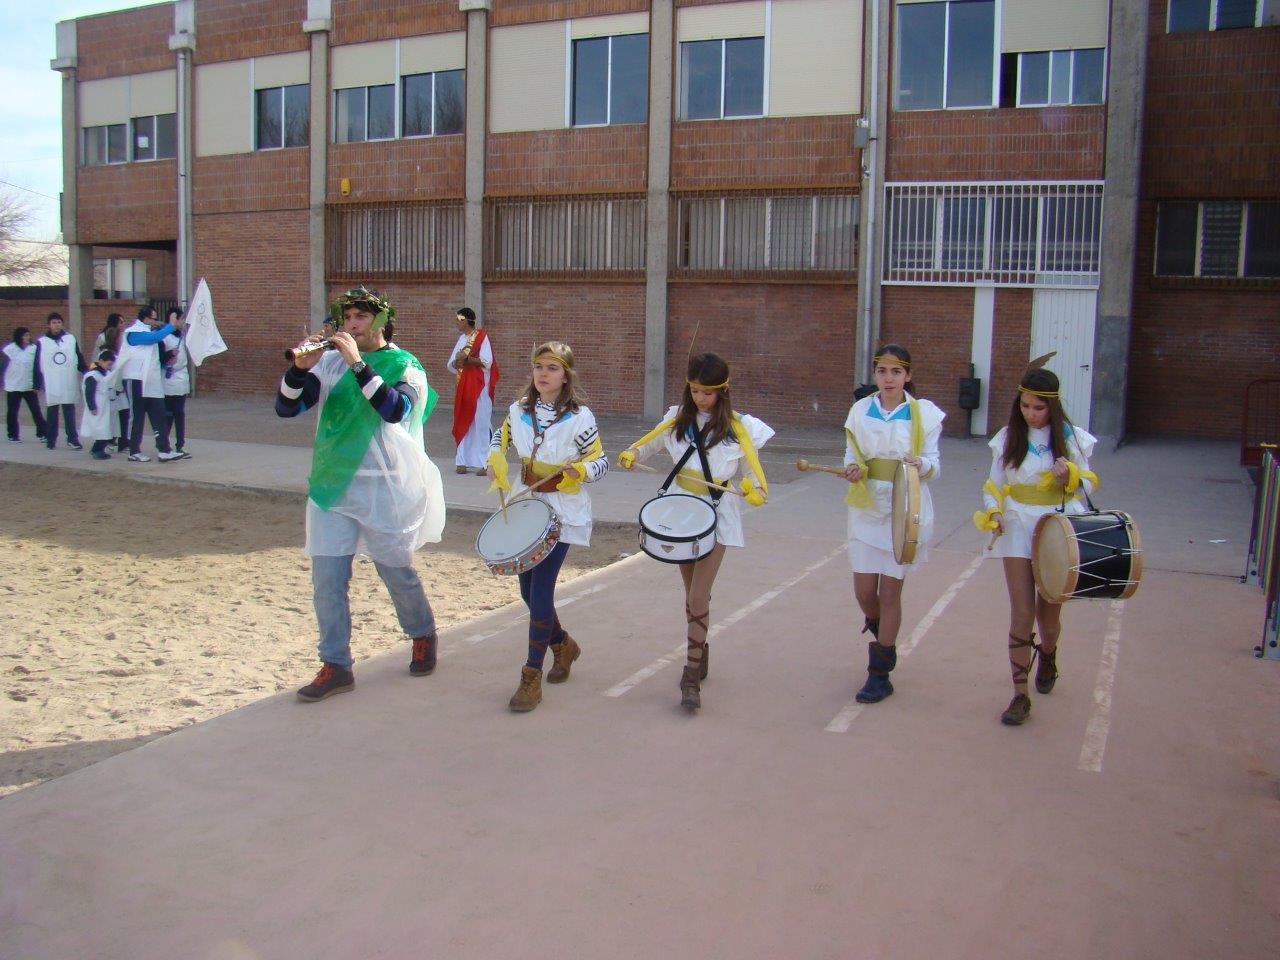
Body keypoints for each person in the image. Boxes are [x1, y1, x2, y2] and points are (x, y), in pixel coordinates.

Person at [276, 286, 445, 702]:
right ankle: (335, 664)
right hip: (332, 485)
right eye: (346, 319)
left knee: (396, 572)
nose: (350, 326)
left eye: (360, 319)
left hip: (382, 485)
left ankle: (421, 632)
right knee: (327, 581)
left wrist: (356, 362)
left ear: (381, 322)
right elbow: (286, 408)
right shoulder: (329, 364)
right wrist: (300, 370)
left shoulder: (405, 366)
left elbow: (394, 411)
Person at [617, 352, 773, 710]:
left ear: (723, 390)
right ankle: (700, 648)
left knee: (698, 597)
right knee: (691, 596)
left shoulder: (740, 428)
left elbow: (756, 477)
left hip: (717, 512)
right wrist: (631, 454)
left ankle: (690, 676)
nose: (700, 398)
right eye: (695, 390)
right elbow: (649, 443)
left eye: (707, 392)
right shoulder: (676, 418)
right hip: (679, 509)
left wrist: (754, 492)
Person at [486, 341, 607, 712]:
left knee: (540, 593)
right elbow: (500, 436)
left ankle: (531, 677)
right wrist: (494, 458)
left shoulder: (580, 418)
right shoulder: (517, 410)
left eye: (552, 368)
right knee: (527, 590)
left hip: (562, 509)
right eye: (539, 366)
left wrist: (582, 470)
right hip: (527, 502)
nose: (543, 374)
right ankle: (563, 644)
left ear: (566, 375)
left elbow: (600, 461)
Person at [973, 367, 1098, 727]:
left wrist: (1070, 475)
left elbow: (1088, 486)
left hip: (1057, 526)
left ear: (1052, 408)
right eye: (1026, 406)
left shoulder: (1072, 439)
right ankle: (1019, 694)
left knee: (1049, 616)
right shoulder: (1008, 437)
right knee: (1022, 612)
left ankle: (1048, 652)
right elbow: (993, 485)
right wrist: (994, 511)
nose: (1031, 413)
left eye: (1039, 408)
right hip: (1016, 526)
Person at [841, 344, 944, 704]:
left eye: (896, 372)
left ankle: (880, 672)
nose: (889, 378)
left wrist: (922, 465)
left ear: (908, 376)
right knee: (864, 593)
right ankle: (883, 633)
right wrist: (853, 470)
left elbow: (934, 463)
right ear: (874, 375)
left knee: (890, 593)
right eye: (882, 371)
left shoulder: (924, 415)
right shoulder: (859, 411)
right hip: (868, 508)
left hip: (905, 508)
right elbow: (852, 455)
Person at [116, 305, 184, 463]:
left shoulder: (152, 333)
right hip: (136, 380)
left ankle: (164, 449)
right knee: (137, 416)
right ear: (145, 319)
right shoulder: (133, 333)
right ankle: (134, 450)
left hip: (152, 381)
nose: (155, 321)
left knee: (159, 414)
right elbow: (153, 339)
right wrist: (171, 325)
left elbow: (156, 356)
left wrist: (169, 357)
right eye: (153, 318)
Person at [448, 307, 498, 475]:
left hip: (479, 387)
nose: (456, 323)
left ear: (466, 320)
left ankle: (485, 462)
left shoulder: (482, 338)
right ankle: (461, 461)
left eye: (459, 320)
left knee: (481, 423)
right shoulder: (461, 339)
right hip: (463, 387)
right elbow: (452, 364)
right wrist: (457, 362)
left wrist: (468, 359)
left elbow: (487, 362)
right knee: (462, 420)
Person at [33, 312, 87, 450]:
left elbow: (78, 356)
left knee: (69, 410)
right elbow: (37, 362)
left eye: (58, 322)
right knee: (52, 412)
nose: (56, 325)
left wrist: (86, 371)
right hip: (52, 382)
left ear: (62, 324)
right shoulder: (42, 342)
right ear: (49, 325)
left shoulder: (70, 339)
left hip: (67, 380)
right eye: (53, 322)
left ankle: (72, 439)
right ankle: (51, 439)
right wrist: (36, 382)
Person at [3, 326, 46, 443]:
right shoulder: (9, 349)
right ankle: (12, 435)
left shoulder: (34, 349)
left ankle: (43, 433)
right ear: (19, 337)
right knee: (12, 412)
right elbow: (3, 366)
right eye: (25, 335)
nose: (28, 337)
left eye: (28, 335)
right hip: (13, 386)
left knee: (36, 410)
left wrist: (38, 384)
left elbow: (38, 368)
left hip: (29, 386)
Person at [160, 308, 192, 457]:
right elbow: (160, 358)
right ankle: (164, 445)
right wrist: (169, 356)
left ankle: (180, 444)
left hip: (181, 377)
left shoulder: (183, 335)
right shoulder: (164, 337)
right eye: (180, 319)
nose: (182, 322)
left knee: (179, 413)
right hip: (169, 377)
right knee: (168, 414)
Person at [79, 349, 119, 460]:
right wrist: (92, 406)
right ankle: (97, 450)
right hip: (97, 406)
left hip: (104, 406)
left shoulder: (105, 373)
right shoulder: (93, 375)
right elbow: (89, 392)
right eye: (108, 364)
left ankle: (97, 449)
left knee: (105, 429)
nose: (109, 366)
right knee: (101, 430)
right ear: (101, 361)